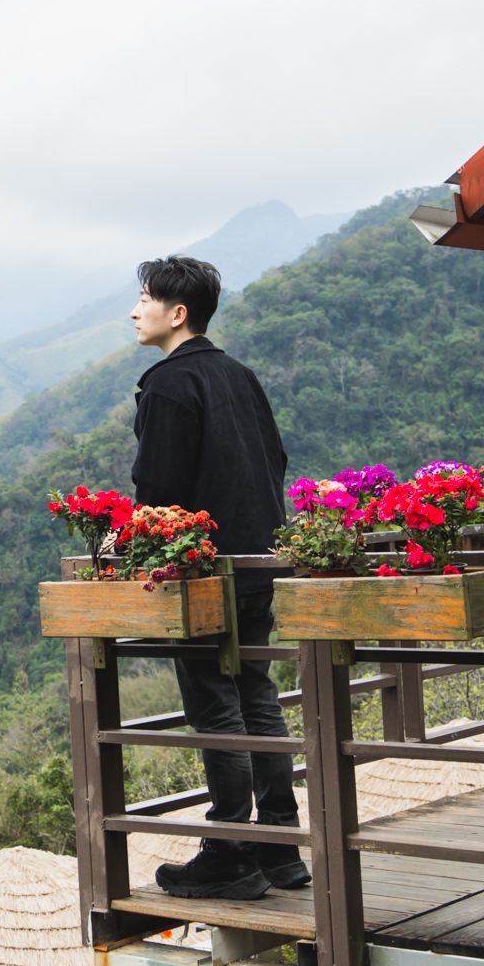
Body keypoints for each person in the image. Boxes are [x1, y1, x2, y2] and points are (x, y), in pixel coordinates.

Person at [130, 255, 308, 900]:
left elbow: (158, 489)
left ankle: (231, 848)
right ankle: (282, 846)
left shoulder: (170, 386)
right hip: (260, 559)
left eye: (144, 299)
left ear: (178, 313)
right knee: (256, 696)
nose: (134, 311)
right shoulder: (239, 375)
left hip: (205, 571)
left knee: (215, 705)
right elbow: (277, 459)